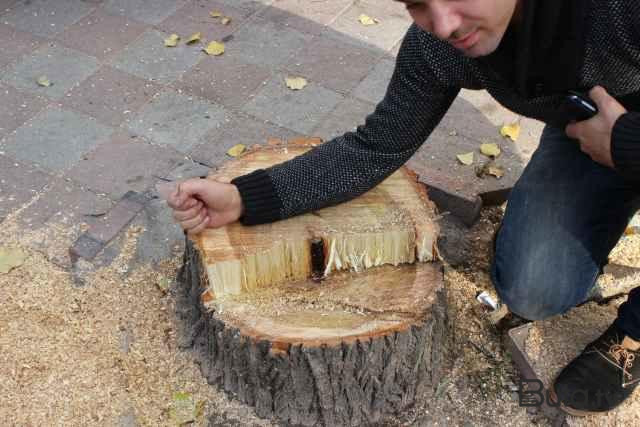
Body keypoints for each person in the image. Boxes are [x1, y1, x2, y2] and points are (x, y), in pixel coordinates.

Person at [167, 0, 640, 416]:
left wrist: (624, 144)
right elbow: (376, 146)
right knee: (535, 290)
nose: (444, 23)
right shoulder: (441, 42)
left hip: (622, 135)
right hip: (594, 131)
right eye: (416, 3)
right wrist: (246, 197)